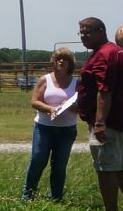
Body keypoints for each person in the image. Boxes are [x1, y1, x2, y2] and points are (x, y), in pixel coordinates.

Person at [76, 17, 123, 211]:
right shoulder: (116, 51)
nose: (84, 36)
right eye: (81, 33)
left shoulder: (105, 55)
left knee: (106, 169)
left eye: (88, 32)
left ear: (101, 30)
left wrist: (99, 123)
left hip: (111, 123)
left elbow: (104, 91)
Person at [22, 48, 81, 200]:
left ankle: (56, 197)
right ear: (54, 62)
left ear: (70, 63)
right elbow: (34, 101)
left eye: (65, 59)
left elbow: (82, 107)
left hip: (67, 130)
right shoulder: (45, 79)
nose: (61, 61)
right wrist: (51, 109)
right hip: (44, 128)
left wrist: (69, 106)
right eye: (59, 58)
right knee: (38, 159)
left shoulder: (77, 83)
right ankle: (28, 195)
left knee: (59, 165)